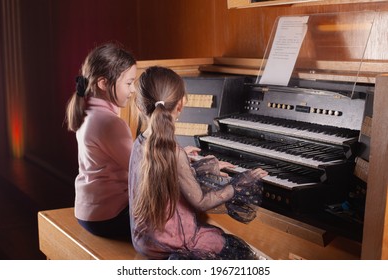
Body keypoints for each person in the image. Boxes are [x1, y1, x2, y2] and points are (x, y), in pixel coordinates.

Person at [128, 66, 268, 259]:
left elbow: (165, 174)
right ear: (181, 104)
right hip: (171, 243)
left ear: (141, 106)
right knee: (235, 250)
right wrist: (238, 185)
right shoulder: (174, 153)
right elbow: (201, 202)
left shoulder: (140, 142)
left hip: (144, 240)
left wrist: (203, 167)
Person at [65, 42, 137, 238]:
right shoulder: (111, 123)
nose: (133, 90)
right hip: (111, 216)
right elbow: (141, 170)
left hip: (88, 213)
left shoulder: (88, 112)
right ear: (104, 83)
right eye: (129, 83)